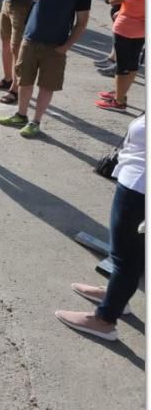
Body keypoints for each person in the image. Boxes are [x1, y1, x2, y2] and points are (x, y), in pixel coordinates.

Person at [55, 114, 144, 342]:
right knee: (128, 255)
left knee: (126, 257)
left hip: (140, 189)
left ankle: (104, 320)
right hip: (135, 182)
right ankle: (117, 297)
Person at [0, 0, 90, 138]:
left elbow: (81, 24)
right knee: (24, 81)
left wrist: (66, 47)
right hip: (30, 41)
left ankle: (35, 122)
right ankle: (20, 115)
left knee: (47, 86)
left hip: (55, 48)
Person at [96, 0, 145, 111]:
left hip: (126, 29)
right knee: (132, 65)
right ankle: (120, 94)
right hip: (140, 30)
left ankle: (119, 101)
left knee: (122, 66)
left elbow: (112, 0)